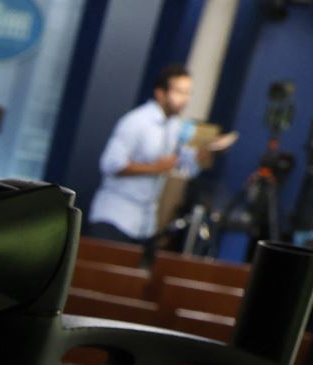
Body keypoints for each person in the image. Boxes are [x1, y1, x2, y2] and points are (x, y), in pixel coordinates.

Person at [87, 65, 239, 244]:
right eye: (179, 92)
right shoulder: (136, 122)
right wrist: (155, 168)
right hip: (114, 219)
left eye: (188, 93)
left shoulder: (176, 126)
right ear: (160, 93)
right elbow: (111, 164)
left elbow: (189, 167)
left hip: (145, 225)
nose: (185, 99)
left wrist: (207, 149)